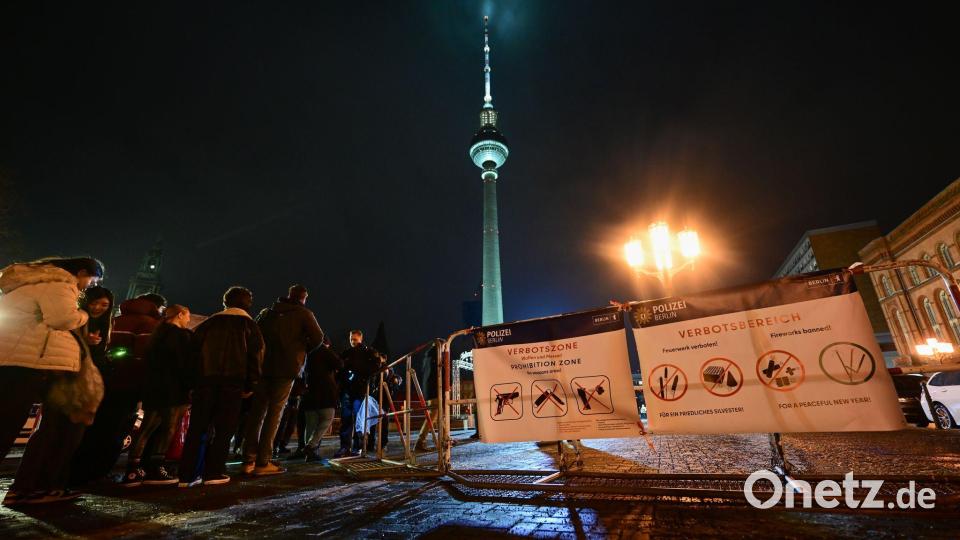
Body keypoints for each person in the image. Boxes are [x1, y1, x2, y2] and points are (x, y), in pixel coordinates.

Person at [0, 257, 104, 505]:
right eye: (91, 281)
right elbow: (61, 319)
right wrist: (82, 315)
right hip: (30, 362)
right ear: (81, 272)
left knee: (8, 422)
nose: (88, 287)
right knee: (11, 425)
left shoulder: (35, 282)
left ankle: (32, 486)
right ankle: (33, 487)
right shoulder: (58, 283)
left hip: (19, 358)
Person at [178, 286, 263, 487]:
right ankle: (214, 471)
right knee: (224, 429)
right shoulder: (250, 326)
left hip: (205, 381)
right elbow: (256, 356)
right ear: (248, 304)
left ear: (225, 302)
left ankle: (188, 473)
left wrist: (191, 382)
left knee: (198, 427)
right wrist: (251, 383)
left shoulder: (208, 324)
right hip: (233, 383)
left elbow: (192, 355)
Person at [242, 285, 324, 476]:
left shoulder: (267, 313)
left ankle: (248, 460)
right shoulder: (304, 314)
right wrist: (300, 353)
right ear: (304, 297)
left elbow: (254, 336)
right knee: (274, 413)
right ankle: (263, 462)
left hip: (263, 368)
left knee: (257, 414)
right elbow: (318, 338)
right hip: (287, 369)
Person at [121, 304, 193, 487]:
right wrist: (191, 385)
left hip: (154, 387)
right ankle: (156, 468)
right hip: (174, 388)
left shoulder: (157, 335)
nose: (189, 320)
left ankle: (133, 469)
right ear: (180, 315)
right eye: (187, 316)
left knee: (146, 429)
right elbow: (185, 364)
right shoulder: (181, 336)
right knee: (168, 429)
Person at [335, 330, 383, 457]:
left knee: (358, 420)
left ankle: (357, 447)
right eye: (351, 339)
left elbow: (376, 366)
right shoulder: (348, 353)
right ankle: (345, 447)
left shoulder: (367, 352)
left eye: (355, 339)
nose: (352, 342)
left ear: (361, 339)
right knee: (346, 420)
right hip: (348, 390)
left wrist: (360, 373)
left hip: (359, 391)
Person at [300, 336, 343, 462]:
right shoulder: (324, 351)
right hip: (325, 393)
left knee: (310, 425)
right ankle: (311, 446)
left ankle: (309, 454)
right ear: (326, 344)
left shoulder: (306, 352)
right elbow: (339, 364)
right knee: (327, 418)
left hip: (308, 394)